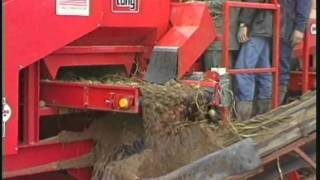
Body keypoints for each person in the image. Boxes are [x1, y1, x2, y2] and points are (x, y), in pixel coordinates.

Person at [234, 0, 274, 121]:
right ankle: (263, 114)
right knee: (263, 70)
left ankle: (243, 117)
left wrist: (243, 24)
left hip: (256, 26)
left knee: (243, 70)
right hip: (264, 25)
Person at [280, 0, 312, 104]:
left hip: (287, 27)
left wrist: (300, 28)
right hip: (278, 26)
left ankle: (275, 107)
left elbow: (305, 4)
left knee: (282, 67)